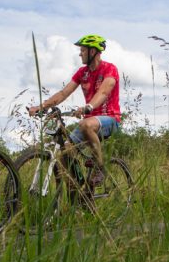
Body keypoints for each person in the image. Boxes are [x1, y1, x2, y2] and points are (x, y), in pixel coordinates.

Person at [28, 34, 121, 186]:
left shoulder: (110, 69)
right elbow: (64, 93)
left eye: (83, 50)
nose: (80, 53)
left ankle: (100, 167)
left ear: (93, 52)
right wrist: (42, 106)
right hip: (90, 120)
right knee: (65, 150)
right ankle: (77, 189)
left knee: (86, 124)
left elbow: (104, 92)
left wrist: (89, 106)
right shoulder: (82, 73)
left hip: (110, 119)